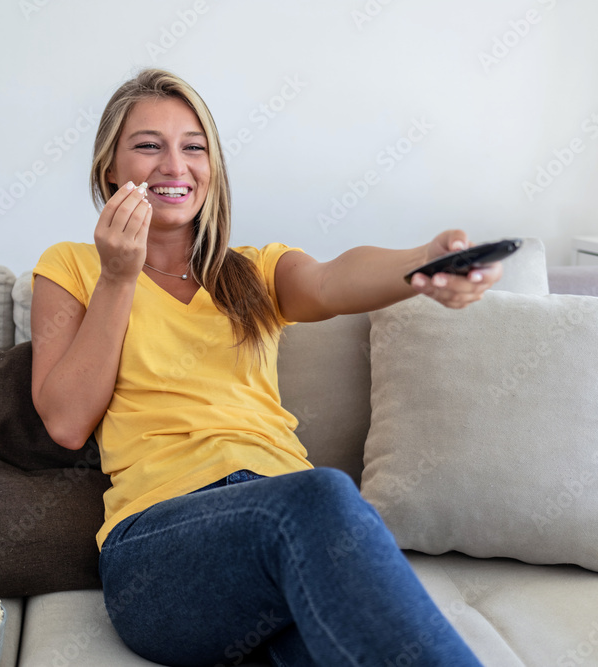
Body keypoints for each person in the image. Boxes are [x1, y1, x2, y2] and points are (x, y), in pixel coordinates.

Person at [30, 68, 500, 667]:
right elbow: (67, 421)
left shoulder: (253, 272)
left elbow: (332, 280)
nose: (175, 165)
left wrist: (424, 263)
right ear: (109, 171)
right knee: (323, 497)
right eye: (149, 145)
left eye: (194, 147)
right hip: (159, 545)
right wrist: (119, 276)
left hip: (288, 525)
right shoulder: (72, 267)